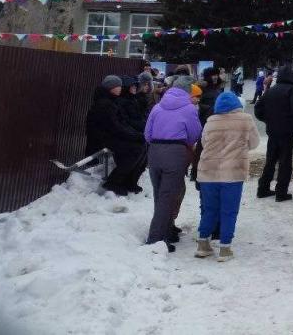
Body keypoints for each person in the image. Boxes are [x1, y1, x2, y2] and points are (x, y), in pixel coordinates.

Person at [194, 91, 259, 262]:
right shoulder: (245, 119)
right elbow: (254, 143)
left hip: (208, 171)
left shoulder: (211, 121)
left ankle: (203, 245)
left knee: (209, 209)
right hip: (232, 173)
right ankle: (224, 249)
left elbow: (203, 142)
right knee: (229, 210)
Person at [143, 76, 202, 251]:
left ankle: (166, 231)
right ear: (187, 91)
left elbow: (147, 133)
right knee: (168, 197)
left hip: (154, 153)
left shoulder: (157, 107)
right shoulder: (189, 109)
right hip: (176, 153)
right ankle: (155, 241)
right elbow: (195, 134)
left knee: (159, 195)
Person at [85, 75, 147, 197]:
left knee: (142, 146)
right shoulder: (104, 103)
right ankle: (114, 182)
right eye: (116, 86)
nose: (120, 88)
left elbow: (121, 124)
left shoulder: (112, 101)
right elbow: (115, 127)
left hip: (111, 136)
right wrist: (134, 136)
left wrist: (136, 135)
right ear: (110, 88)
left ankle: (129, 181)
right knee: (135, 149)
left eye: (120, 86)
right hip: (102, 139)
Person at [254, 64, 293, 201]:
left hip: (272, 132)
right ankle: (281, 192)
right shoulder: (292, 90)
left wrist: (268, 120)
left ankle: (263, 189)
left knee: (270, 161)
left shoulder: (271, 91)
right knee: (285, 162)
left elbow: (258, 109)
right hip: (287, 133)